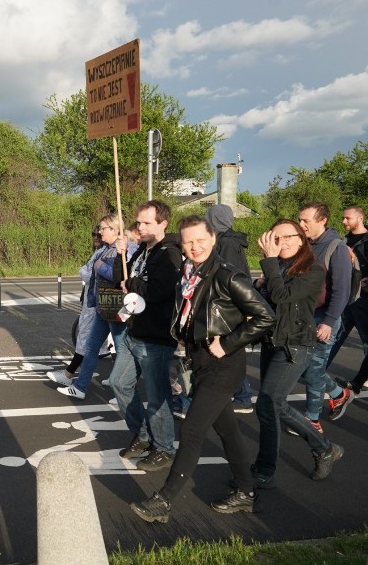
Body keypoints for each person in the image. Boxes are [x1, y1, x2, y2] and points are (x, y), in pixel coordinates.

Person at [130, 215, 275, 523]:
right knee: (228, 430)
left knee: (193, 430)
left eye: (200, 240)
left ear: (212, 239)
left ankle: (163, 501)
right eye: (188, 241)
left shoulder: (228, 276)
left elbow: (265, 316)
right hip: (200, 360)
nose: (194, 246)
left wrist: (230, 342)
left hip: (223, 364)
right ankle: (246, 491)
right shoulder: (188, 272)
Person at [251, 219, 343, 486]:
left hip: (295, 345)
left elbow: (282, 296)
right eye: (276, 238)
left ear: (302, 239)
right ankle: (324, 448)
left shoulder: (314, 269)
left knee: (268, 405)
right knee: (273, 405)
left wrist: (268, 266)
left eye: (289, 237)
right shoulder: (279, 266)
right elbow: (267, 302)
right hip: (274, 342)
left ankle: (265, 470)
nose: (283, 243)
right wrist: (259, 286)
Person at [108, 200, 183, 472]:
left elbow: (159, 291)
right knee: (118, 382)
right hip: (133, 330)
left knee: (156, 394)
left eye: (146, 223)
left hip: (155, 336)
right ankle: (141, 435)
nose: (140, 227)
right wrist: (120, 255)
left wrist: (134, 283)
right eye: (138, 222)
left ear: (163, 223)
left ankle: (163, 448)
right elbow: (121, 281)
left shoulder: (169, 254)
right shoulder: (140, 250)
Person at [53, 214, 137, 399]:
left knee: (123, 350)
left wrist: (100, 267)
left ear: (115, 229)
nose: (99, 231)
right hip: (102, 307)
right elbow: (89, 270)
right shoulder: (107, 249)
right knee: (91, 347)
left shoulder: (126, 249)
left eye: (103, 228)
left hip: (116, 307)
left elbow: (123, 276)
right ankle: (80, 387)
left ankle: (123, 394)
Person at [296, 202, 354, 429]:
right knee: (302, 369)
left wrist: (329, 322)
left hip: (324, 318)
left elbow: (342, 290)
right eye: (299, 220)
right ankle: (339, 393)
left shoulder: (336, 248)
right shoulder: (307, 244)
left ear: (322, 220)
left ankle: (312, 419)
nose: (301, 224)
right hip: (305, 316)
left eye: (305, 221)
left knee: (314, 369)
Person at [206, 204, 254, 413]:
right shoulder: (227, 240)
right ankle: (241, 394)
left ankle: (242, 396)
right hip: (230, 304)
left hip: (229, 305)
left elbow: (230, 276)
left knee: (229, 349)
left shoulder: (226, 243)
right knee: (228, 349)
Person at [47, 226, 103, 390]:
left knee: (89, 341)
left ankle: (70, 375)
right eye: (93, 234)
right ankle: (75, 380)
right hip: (92, 301)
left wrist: (83, 271)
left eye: (99, 234)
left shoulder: (107, 252)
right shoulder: (98, 252)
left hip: (97, 303)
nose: (96, 237)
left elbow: (91, 275)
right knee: (93, 344)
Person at [329, 205, 368, 392]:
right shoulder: (343, 241)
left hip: (364, 301)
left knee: (366, 340)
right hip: (345, 298)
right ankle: (315, 371)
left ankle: (363, 378)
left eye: (348, 218)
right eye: (343, 218)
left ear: (360, 218)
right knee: (334, 336)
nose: (344, 221)